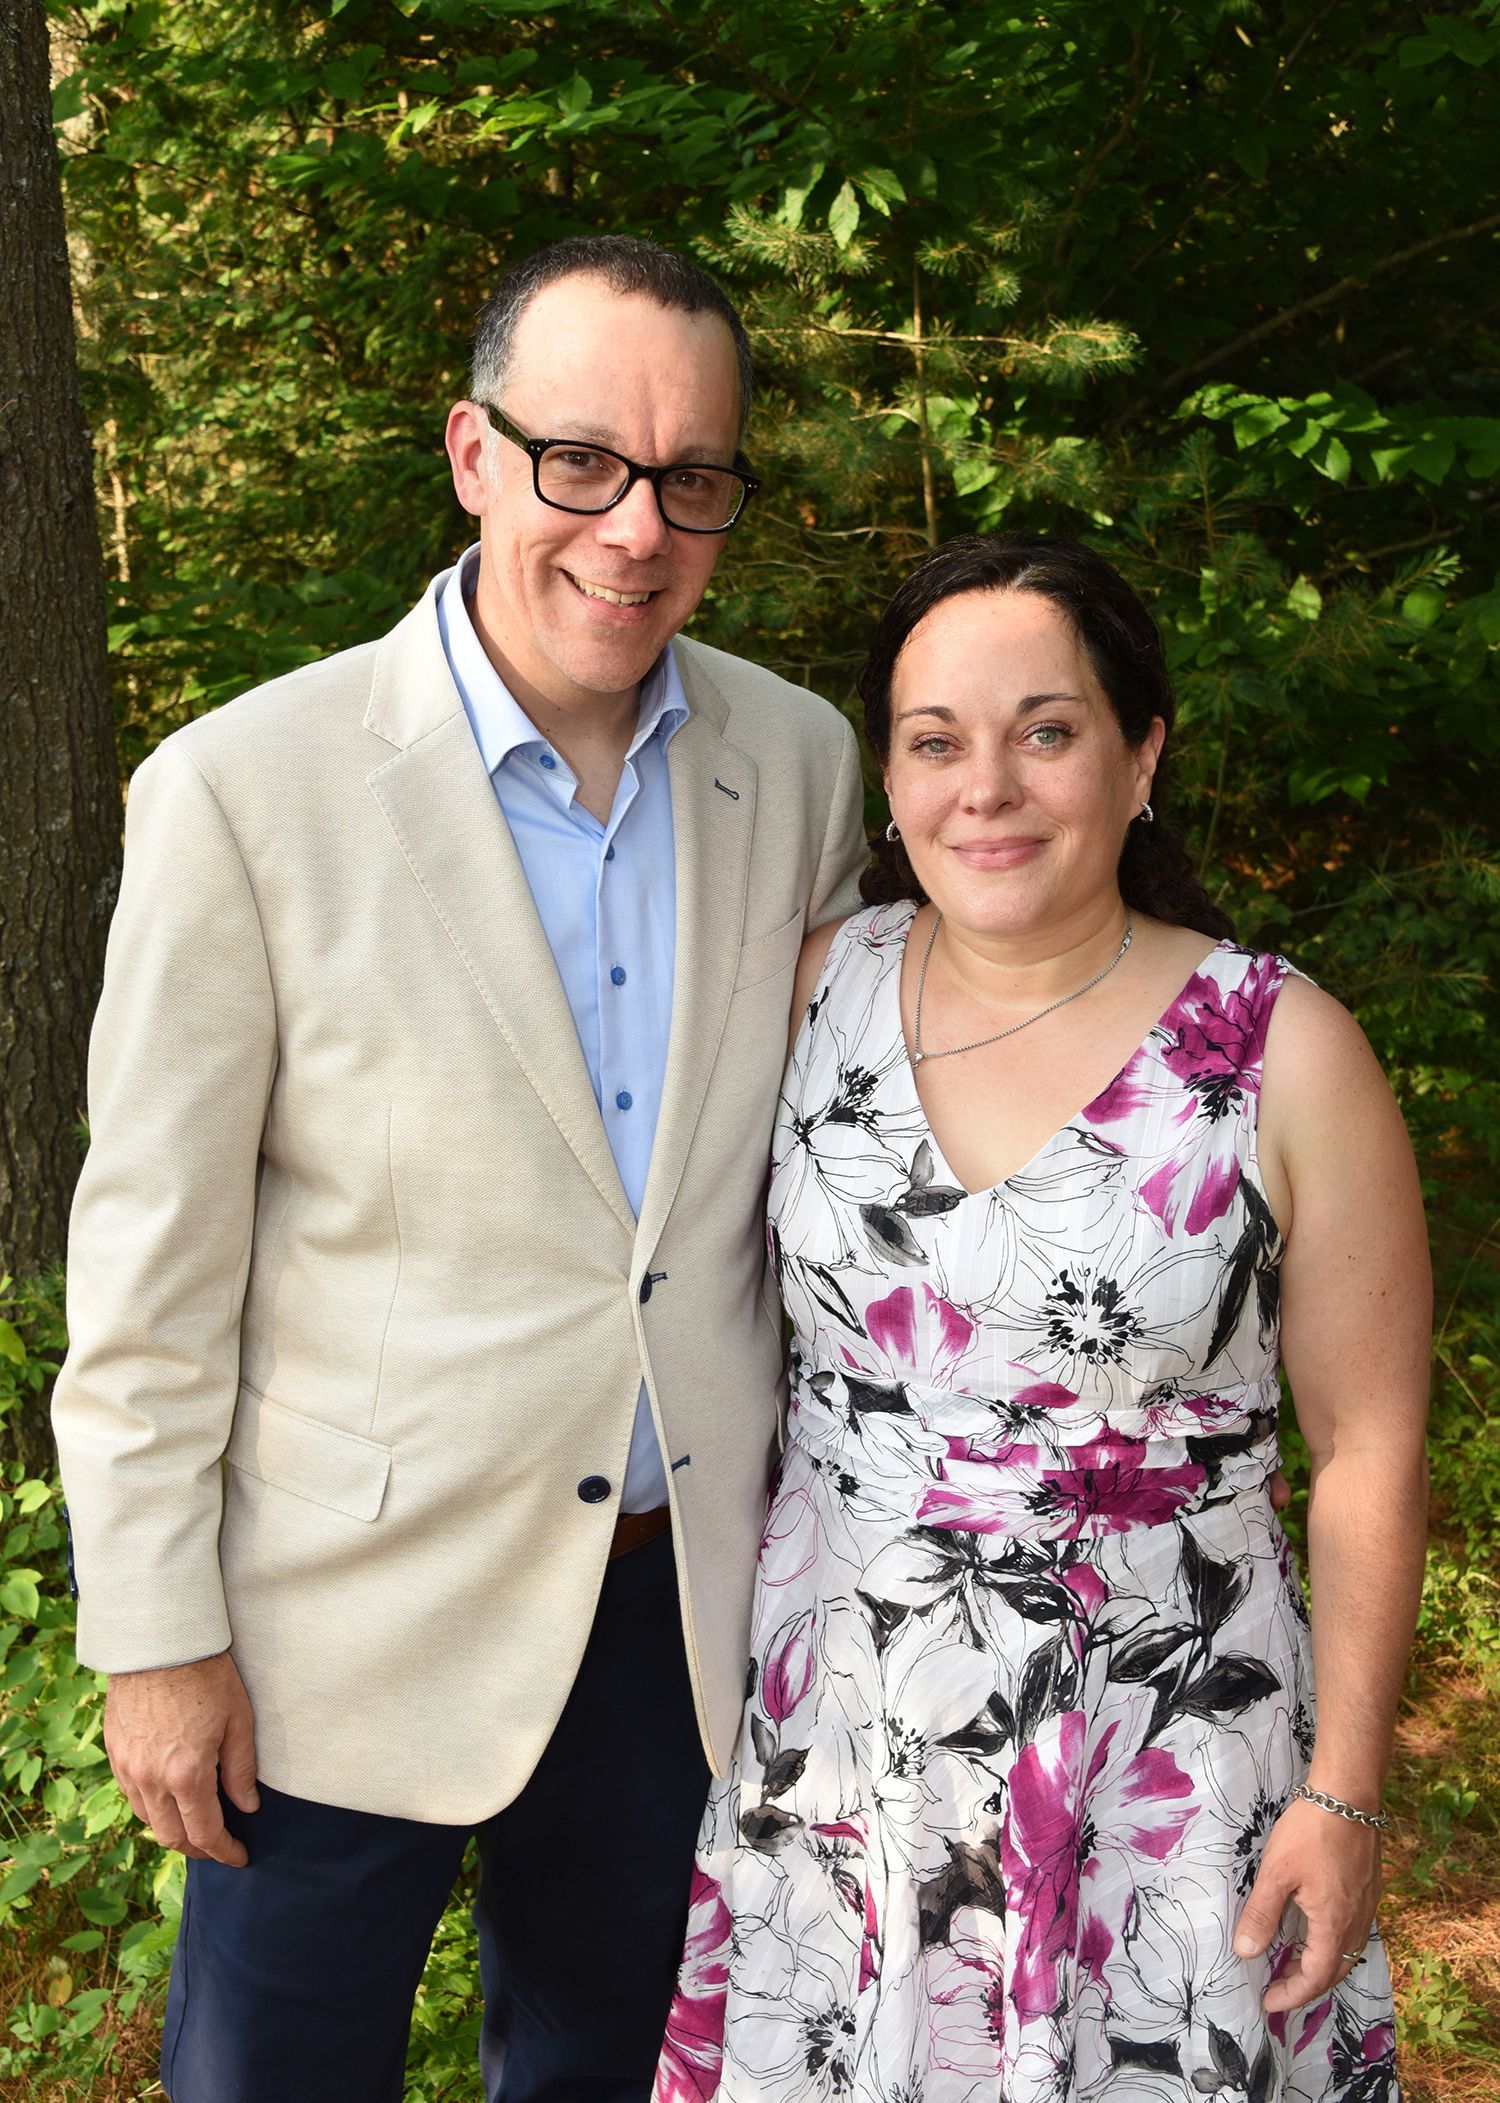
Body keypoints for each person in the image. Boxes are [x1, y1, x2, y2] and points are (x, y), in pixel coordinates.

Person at [50, 235, 867, 2103]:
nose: (635, 529)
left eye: (693, 480)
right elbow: (151, 1272)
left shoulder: (805, 764)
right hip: (340, 1635)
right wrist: (156, 1638)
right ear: (472, 452)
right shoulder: (245, 793)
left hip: (679, 1624)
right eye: (578, 459)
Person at [656, 533, 1428, 2103]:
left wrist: (1344, 1797)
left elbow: (1367, 1447)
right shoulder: (810, 996)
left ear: (1144, 755)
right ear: (888, 780)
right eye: (936, 741)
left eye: (1047, 731)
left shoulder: (1283, 1049)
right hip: (850, 1758)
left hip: (1168, 1761)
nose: (986, 786)